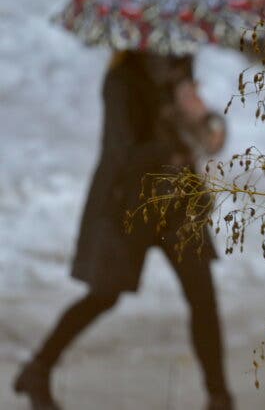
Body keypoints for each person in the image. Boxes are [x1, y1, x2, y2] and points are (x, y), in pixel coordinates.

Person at [13, 51, 232, 410]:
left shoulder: (180, 73)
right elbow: (124, 152)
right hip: (128, 206)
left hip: (177, 204)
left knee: (202, 297)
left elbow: (208, 140)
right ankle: (38, 369)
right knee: (104, 295)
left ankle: (219, 396)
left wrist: (204, 119)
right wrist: (174, 133)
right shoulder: (122, 80)